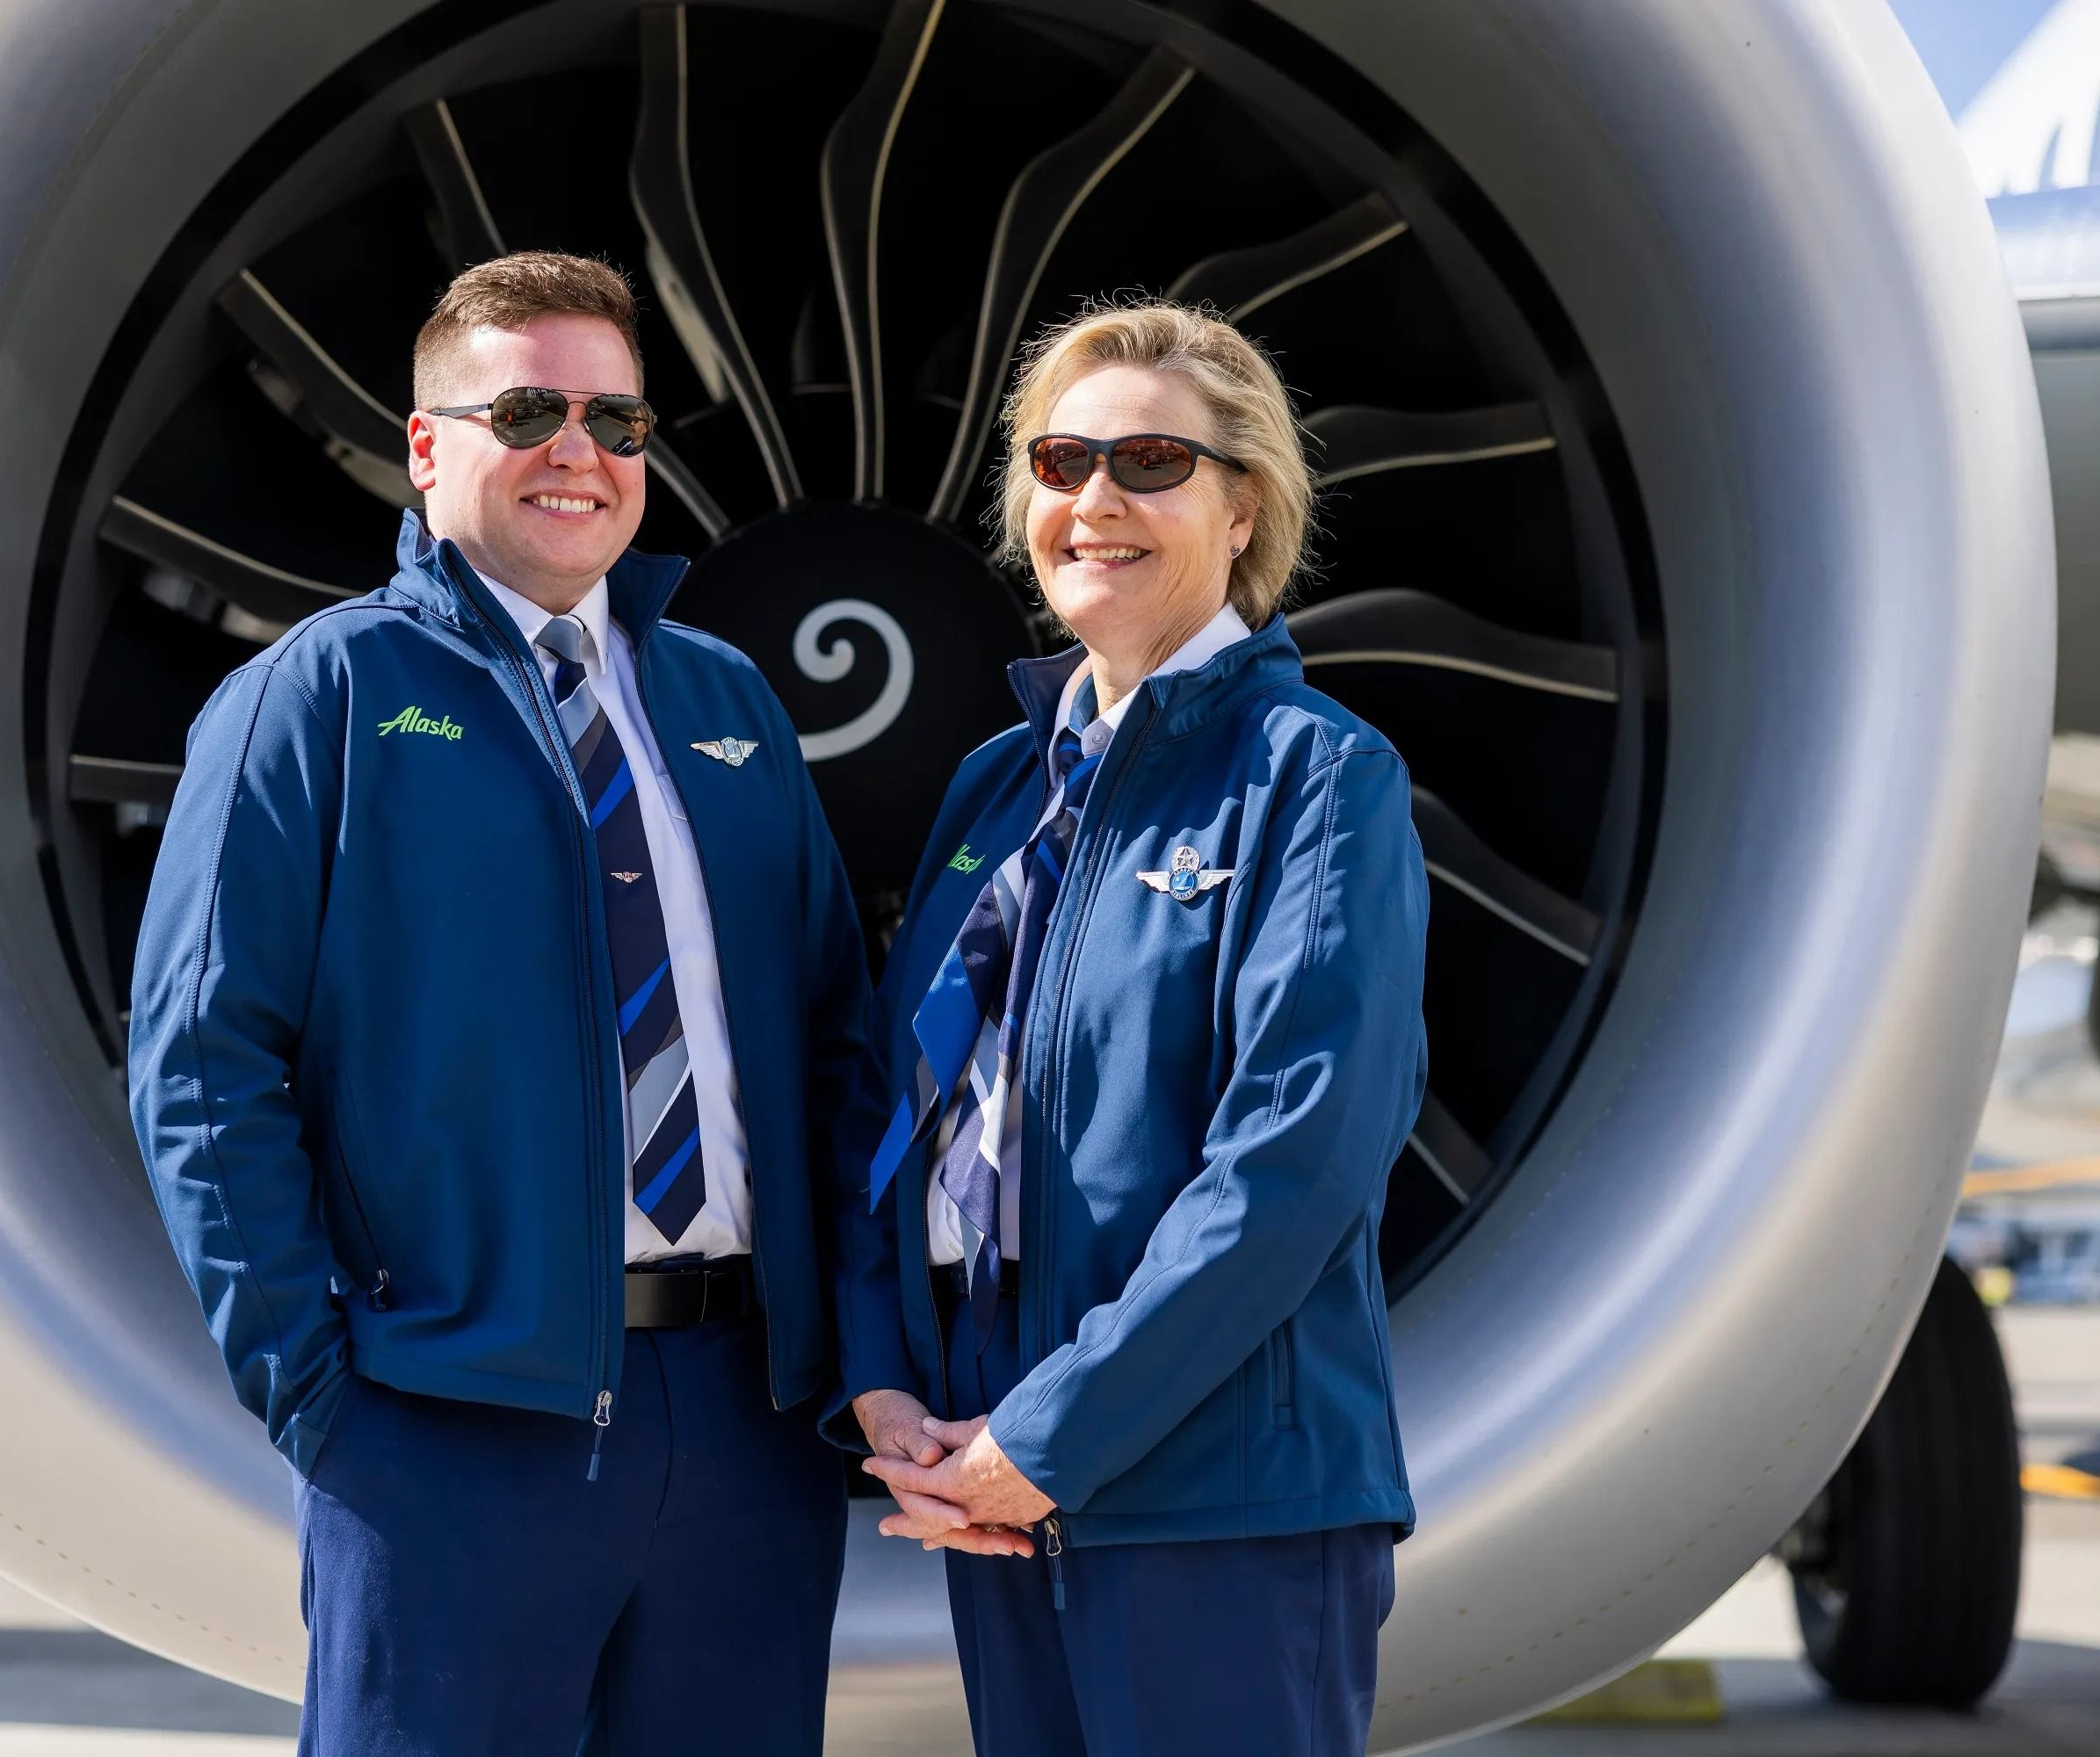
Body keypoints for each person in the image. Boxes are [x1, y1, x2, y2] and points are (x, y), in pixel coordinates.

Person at [127, 251, 871, 1757]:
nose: (577, 452)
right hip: (448, 1433)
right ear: (426, 445)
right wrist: (325, 1403)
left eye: (615, 417)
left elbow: (837, 1044)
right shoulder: (316, 701)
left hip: (741, 1426)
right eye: (528, 407)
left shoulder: (727, 706)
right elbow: (204, 1071)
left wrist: (847, 1362)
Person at [837, 299, 1429, 1756]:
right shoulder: (1000, 789)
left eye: (1152, 461)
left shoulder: (1316, 779)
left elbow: (1292, 1164)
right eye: (1061, 460)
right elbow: (898, 1114)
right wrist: (888, 1384)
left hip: (1212, 1502)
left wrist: (1056, 1437)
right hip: (997, 1484)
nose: (1094, 501)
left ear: (1245, 510)